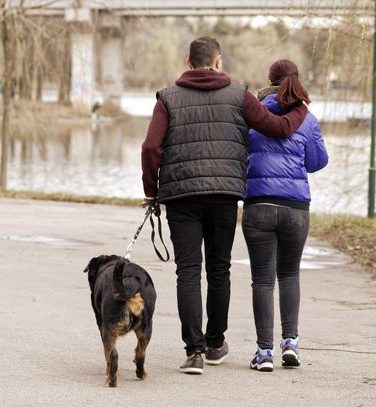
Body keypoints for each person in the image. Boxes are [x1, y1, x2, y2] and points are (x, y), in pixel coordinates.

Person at [141, 38, 309, 375]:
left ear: (189, 61)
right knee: (218, 269)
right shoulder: (238, 94)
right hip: (224, 194)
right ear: (218, 61)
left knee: (187, 270)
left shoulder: (167, 97)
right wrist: (301, 107)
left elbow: (150, 148)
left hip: (181, 196)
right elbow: (276, 128)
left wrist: (152, 192)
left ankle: (194, 352)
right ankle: (216, 343)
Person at [242, 59, 329, 372]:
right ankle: (290, 343)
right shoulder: (308, 118)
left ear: (269, 81)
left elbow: (240, 155)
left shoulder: (252, 114)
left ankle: (264, 352)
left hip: (259, 206)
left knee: (262, 280)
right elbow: (317, 162)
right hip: (295, 209)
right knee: (289, 274)